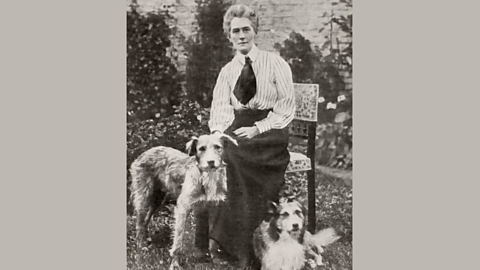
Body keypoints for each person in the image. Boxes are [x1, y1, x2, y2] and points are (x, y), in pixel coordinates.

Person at [202, 4, 296, 268]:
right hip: (238, 127)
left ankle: (242, 243)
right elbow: (220, 109)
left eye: (246, 29)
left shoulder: (276, 63)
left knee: (237, 159)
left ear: (255, 31)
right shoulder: (227, 71)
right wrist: (219, 135)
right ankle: (231, 243)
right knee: (226, 155)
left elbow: (286, 107)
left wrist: (259, 128)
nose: (241, 35)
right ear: (229, 36)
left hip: (270, 132)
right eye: (235, 31)